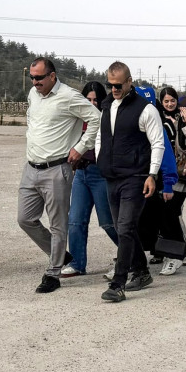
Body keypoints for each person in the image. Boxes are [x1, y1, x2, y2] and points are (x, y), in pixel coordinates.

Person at [17, 56, 101, 295]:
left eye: (39, 78)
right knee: (25, 219)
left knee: (58, 225)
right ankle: (61, 255)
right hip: (31, 167)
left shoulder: (69, 96)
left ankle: (53, 273)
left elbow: (96, 118)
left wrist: (81, 147)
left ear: (52, 76)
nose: (35, 82)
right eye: (32, 77)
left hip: (57, 169)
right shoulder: (33, 94)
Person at [95, 62, 166, 303]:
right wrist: (101, 160)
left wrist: (152, 174)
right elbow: (101, 136)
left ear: (129, 82)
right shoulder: (107, 106)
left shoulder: (146, 109)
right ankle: (142, 271)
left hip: (135, 177)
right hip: (111, 177)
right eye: (110, 85)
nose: (113, 89)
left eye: (118, 85)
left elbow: (158, 143)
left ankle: (118, 284)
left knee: (125, 228)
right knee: (123, 228)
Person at [62, 82, 118, 277]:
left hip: (100, 174)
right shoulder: (76, 120)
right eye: (88, 100)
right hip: (81, 173)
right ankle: (77, 263)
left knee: (108, 221)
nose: (92, 104)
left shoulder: (107, 119)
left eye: (96, 100)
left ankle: (131, 257)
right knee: (75, 220)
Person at [134, 86, 180, 273]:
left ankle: (175, 256)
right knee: (143, 221)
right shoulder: (130, 123)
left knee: (167, 220)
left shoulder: (158, 125)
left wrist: (168, 183)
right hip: (138, 180)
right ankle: (135, 258)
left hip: (158, 180)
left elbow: (167, 157)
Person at [161, 92, 186, 274]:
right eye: (182, 109)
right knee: (169, 210)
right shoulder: (177, 123)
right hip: (181, 176)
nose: (184, 112)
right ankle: (177, 248)